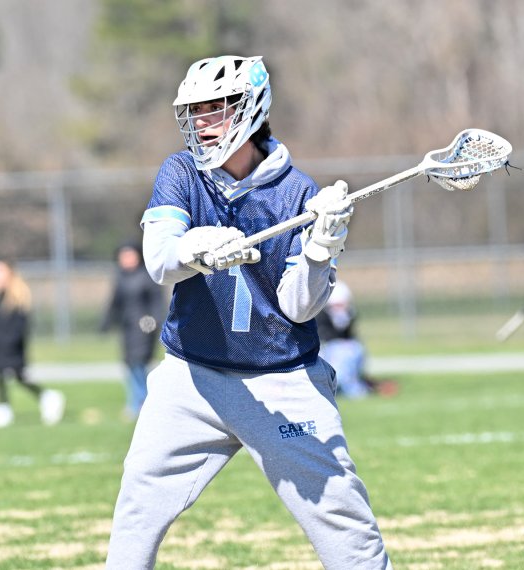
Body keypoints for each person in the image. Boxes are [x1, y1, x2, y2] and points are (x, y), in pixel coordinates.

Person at [105, 55, 393, 569]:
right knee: (136, 511)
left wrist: (321, 247)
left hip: (282, 378)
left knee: (343, 525)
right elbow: (159, 259)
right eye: (195, 111)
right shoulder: (182, 172)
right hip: (193, 377)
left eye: (216, 109)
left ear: (251, 110)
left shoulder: (298, 192)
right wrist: (196, 248)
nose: (202, 122)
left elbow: (298, 307)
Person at [0, 259, 65, 428]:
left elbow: (20, 328)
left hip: (12, 347)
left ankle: (48, 397)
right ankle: (3, 407)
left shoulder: (18, 296)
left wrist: (9, 343)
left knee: (19, 377)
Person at [99, 241, 163, 421]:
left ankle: (140, 402)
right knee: (130, 364)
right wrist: (106, 322)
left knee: (139, 363)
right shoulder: (121, 278)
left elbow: (157, 303)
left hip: (144, 328)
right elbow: (115, 304)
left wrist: (154, 322)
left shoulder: (146, 276)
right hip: (127, 328)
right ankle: (136, 401)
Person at [316, 280, 399, 399]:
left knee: (355, 349)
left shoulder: (350, 316)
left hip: (347, 358)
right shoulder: (321, 318)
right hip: (330, 356)